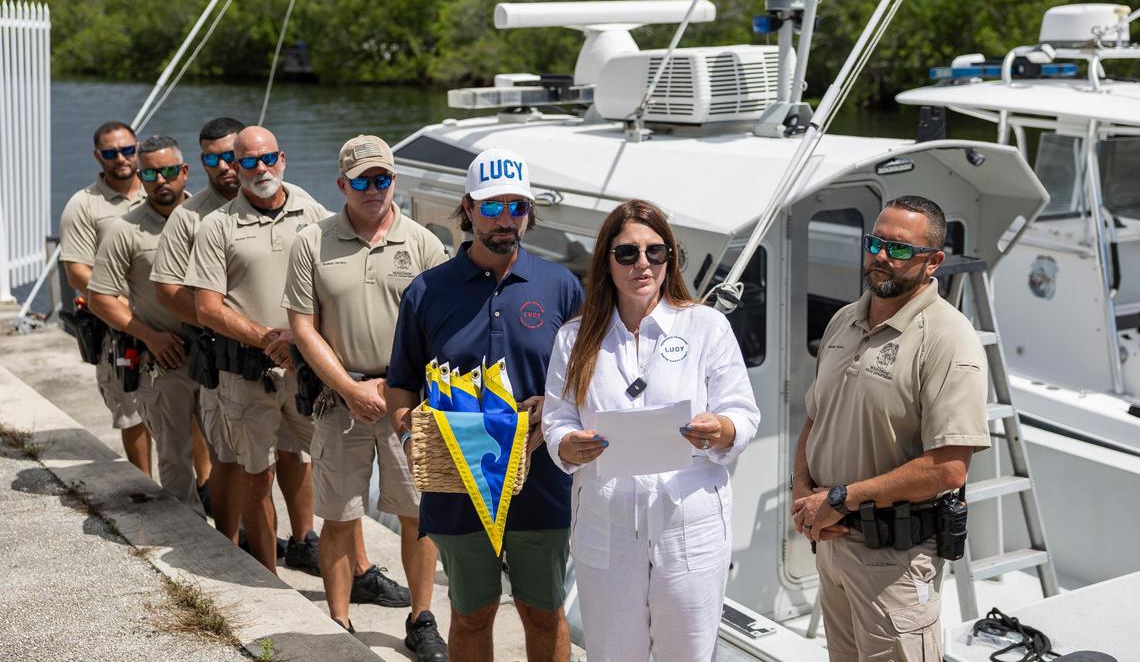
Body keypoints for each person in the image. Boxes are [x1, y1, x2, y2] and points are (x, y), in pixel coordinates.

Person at [542, 199, 761, 661]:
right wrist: (568, 444)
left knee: (688, 653)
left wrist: (719, 428)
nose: (643, 263)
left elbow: (742, 412)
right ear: (606, 260)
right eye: (628, 253)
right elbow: (557, 418)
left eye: (655, 252)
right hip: (606, 516)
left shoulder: (707, 327)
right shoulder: (575, 337)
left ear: (668, 259)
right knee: (612, 653)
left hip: (689, 515)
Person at [386, 148, 583, 662]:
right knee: (471, 615)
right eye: (492, 207)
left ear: (529, 213)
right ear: (468, 208)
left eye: (517, 207)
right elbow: (402, 383)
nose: (505, 220)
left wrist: (558, 406)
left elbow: (588, 379)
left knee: (543, 613)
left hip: (540, 481)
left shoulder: (560, 286)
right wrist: (410, 437)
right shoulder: (427, 291)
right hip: (455, 479)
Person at [791, 195, 990, 661]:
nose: (881, 255)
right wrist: (804, 495)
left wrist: (839, 499)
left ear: (933, 261)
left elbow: (948, 470)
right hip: (833, 545)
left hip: (894, 565)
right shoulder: (846, 318)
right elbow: (816, 417)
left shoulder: (947, 338)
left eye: (899, 249)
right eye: (875, 241)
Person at [283, 134, 448, 657]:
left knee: (419, 513)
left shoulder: (423, 243)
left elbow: (441, 329)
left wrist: (402, 388)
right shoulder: (312, 241)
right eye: (361, 181)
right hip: (340, 397)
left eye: (382, 179)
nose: (373, 188)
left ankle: (421, 620)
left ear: (394, 181)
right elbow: (303, 328)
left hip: (410, 400)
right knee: (339, 512)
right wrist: (349, 387)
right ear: (342, 185)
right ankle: (339, 623)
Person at [184, 125, 329, 574]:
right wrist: (270, 340)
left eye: (268, 159)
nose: (260, 168)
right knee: (255, 474)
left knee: (326, 468)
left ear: (282, 158)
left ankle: (341, 562)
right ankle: (265, 575)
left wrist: (302, 344)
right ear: (236, 166)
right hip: (246, 376)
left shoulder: (313, 211)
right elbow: (206, 308)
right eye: (248, 161)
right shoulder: (216, 224)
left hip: (305, 371)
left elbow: (332, 286)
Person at [88, 134, 205, 518]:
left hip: (220, 357)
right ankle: (189, 537)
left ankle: (236, 535)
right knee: (174, 456)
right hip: (167, 359)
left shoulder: (211, 219)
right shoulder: (125, 230)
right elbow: (99, 298)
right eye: (151, 172)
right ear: (141, 175)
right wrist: (149, 336)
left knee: (232, 456)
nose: (161, 179)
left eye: (169, 170)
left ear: (185, 172)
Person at [151, 117, 246, 542]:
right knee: (214, 453)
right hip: (208, 351)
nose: (225, 166)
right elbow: (167, 292)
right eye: (213, 158)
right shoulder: (188, 217)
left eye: (231, 156)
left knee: (274, 458)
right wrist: (221, 321)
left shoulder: (286, 203)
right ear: (201, 164)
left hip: (272, 355)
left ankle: (284, 537)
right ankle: (208, 539)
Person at [59, 120, 151, 475]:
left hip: (167, 319)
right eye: (111, 153)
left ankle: (202, 488)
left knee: (192, 410)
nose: (121, 159)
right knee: (132, 413)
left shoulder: (162, 190)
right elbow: (77, 272)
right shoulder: (83, 205)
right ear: (98, 156)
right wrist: (118, 304)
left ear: (138, 149)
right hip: (118, 327)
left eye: (127, 150)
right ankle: (148, 489)